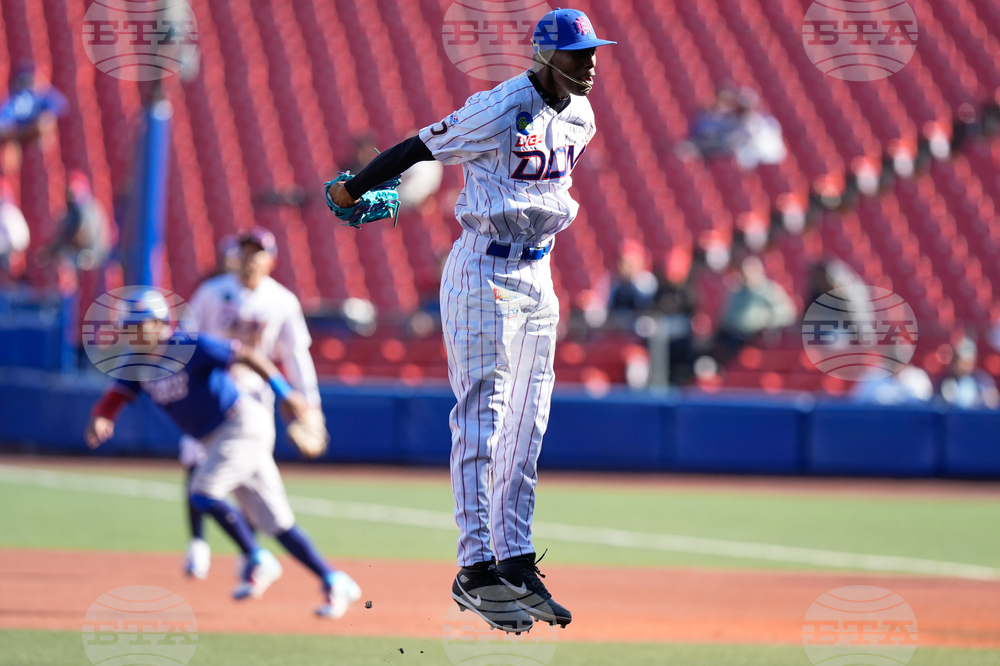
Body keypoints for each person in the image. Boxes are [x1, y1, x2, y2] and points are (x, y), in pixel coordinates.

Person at [325, 7, 614, 634]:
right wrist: (355, 188)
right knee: (483, 412)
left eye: (593, 52)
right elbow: (421, 144)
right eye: (576, 53)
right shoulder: (501, 106)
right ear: (545, 56)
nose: (589, 63)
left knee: (527, 421)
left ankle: (513, 558)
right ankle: (474, 567)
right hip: (483, 267)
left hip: (540, 273)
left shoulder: (582, 115)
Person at [85, 289, 360, 618]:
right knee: (277, 523)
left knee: (202, 491)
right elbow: (117, 395)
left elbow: (246, 355)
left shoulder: (189, 346)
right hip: (214, 439)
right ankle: (333, 579)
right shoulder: (137, 363)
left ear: (160, 324)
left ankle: (256, 557)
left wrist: (284, 392)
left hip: (240, 424)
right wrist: (103, 416)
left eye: (138, 326)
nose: (132, 334)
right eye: (128, 328)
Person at [179, 227, 323, 581]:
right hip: (209, 392)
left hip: (254, 401)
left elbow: (296, 355)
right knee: (194, 462)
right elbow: (185, 338)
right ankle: (198, 542)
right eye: (243, 251)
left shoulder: (282, 301)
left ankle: (250, 557)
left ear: (270, 260)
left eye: (256, 252)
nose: (249, 258)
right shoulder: (212, 292)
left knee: (247, 476)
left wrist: (310, 402)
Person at [713, 255, 797, 365]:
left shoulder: (768, 290)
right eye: (743, 271)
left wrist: (767, 321)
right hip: (733, 334)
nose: (745, 275)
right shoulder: (735, 291)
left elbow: (788, 312)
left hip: (757, 335)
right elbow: (726, 315)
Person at [38, 170, 110, 272]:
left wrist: (52, 251)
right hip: (87, 255)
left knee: (62, 264)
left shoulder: (84, 207)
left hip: (90, 256)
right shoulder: (85, 205)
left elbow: (80, 236)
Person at [0, 61, 66, 170]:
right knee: (11, 145)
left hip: (34, 134)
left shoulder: (42, 95)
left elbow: (59, 107)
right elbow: (3, 119)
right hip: (16, 134)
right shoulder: (13, 96)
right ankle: (8, 174)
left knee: (45, 124)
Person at [939, 337, 1000, 409]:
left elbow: (993, 402)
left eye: (968, 360)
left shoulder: (983, 380)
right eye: (960, 359)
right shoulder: (944, 380)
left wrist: (989, 399)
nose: (964, 364)